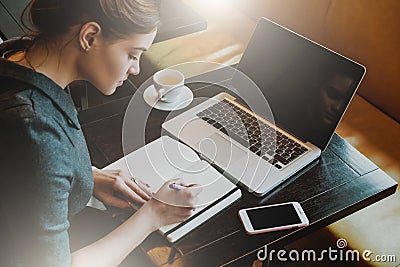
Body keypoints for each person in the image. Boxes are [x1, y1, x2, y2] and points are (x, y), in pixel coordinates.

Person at [0, 1, 199, 266]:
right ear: (89, 36)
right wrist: (154, 214)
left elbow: (16, 165)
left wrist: (86, 176)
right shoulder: (35, 126)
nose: (137, 68)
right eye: (132, 53)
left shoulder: (17, 54)